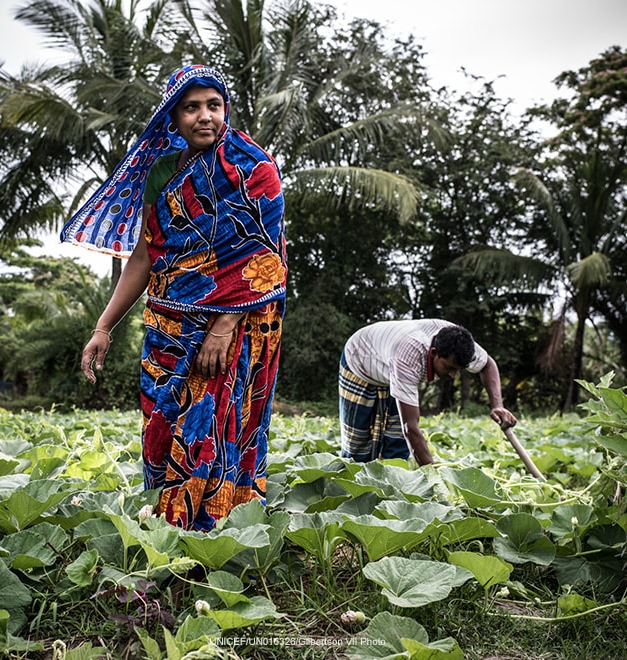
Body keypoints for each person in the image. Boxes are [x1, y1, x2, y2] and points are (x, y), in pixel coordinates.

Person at [61, 64, 287, 531]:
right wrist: (103, 327)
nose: (205, 117)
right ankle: (167, 530)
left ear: (225, 109)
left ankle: (214, 534)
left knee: (214, 428)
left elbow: (264, 255)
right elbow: (145, 255)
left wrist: (223, 327)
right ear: (173, 115)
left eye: (214, 105)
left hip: (234, 325)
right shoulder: (163, 169)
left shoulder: (252, 168)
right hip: (167, 324)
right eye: (192, 107)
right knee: (162, 427)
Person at [338, 319, 516, 465]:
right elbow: (411, 428)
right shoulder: (408, 357)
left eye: (458, 370)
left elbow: (488, 364)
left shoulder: (460, 344)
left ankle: (388, 493)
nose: (453, 375)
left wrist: (497, 405)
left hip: (389, 362)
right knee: (358, 446)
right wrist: (433, 476)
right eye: (449, 368)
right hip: (359, 360)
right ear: (433, 353)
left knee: (396, 444)